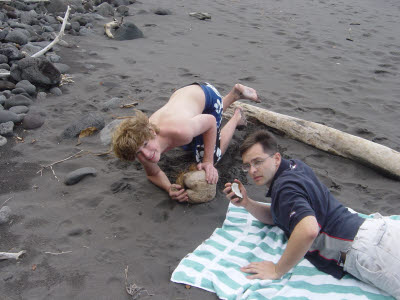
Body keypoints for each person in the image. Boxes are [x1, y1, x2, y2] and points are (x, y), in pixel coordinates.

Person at [223, 130, 400, 299]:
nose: (252, 170)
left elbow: (308, 230)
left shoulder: (286, 188)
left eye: (258, 162)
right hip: (377, 230)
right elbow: (280, 217)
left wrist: (278, 270)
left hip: (369, 251)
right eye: (248, 165)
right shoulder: (295, 166)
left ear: (276, 158)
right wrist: (247, 203)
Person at [112, 82, 259, 202]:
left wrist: (208, 161)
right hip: (186, 97)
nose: (146, 155)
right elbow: (153, 174)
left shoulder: (180, 131)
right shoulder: (142, 144)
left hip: (208, 95)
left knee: (211, 155)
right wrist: (168, 187)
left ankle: (237, 116)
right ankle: (235, 94)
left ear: (152, 132)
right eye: (138, 153)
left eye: (145, 145)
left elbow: (210, 121)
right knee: (190, 143)